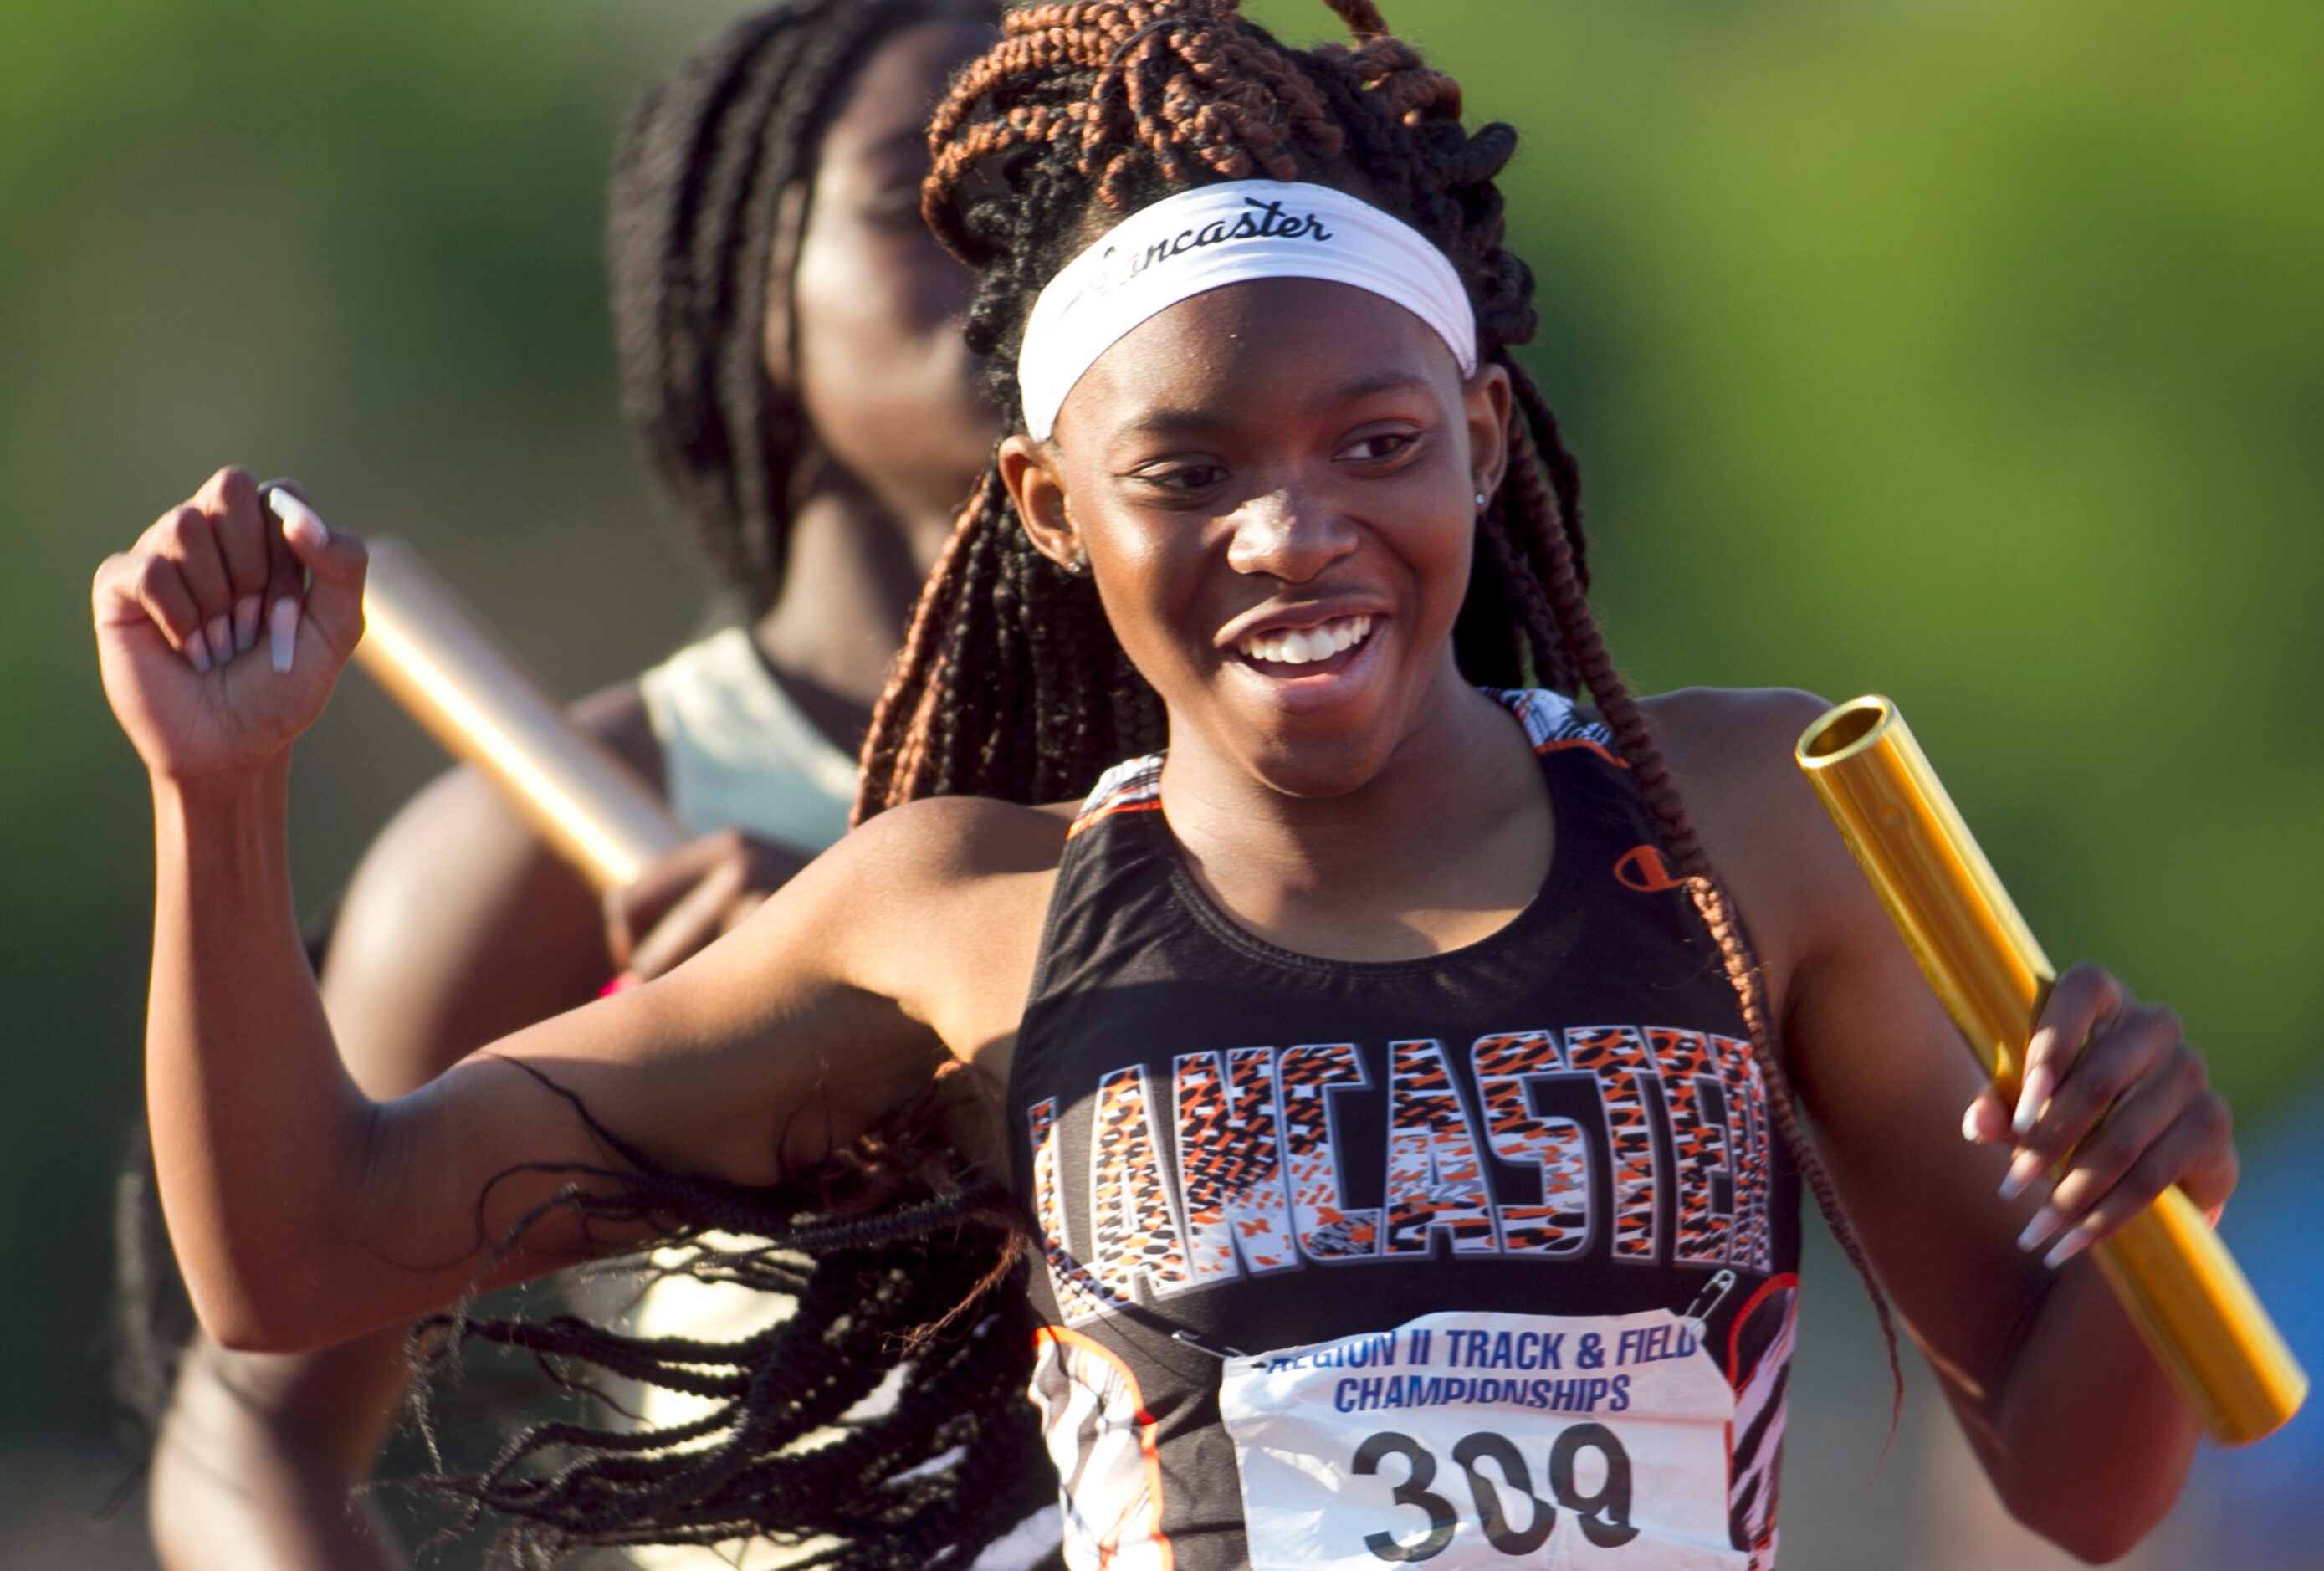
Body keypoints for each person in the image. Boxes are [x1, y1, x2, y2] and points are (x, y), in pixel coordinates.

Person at [96, 2, 2240, 1567]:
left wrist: (2155, 1206)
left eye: (1374, 446)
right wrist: (224, 796)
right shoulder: (948, 919)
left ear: (1485, 440)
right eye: (1187, 474)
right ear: (1044, 504)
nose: (1292, 535)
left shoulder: (1755, 817)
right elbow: (297, 1263)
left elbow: (2082, 1480)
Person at [138, 3, 1003, 1568]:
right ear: (751, 281)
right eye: (915, 198)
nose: (1014, 253)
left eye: (1074, 194)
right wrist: (740, 1034)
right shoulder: (544, 839)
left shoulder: (1282, 784)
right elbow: (252, 1433)